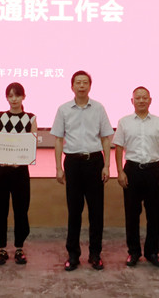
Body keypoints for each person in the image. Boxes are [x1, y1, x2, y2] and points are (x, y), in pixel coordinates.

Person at [51, 70, 114, 271]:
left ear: (90, 86)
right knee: (74, 211)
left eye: (85, 82)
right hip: (73, 163)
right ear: (72, 86)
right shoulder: (63, 109)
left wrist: (107, 165)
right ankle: (73, 255)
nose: (81, 86)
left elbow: (106, 138)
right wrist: (58, 167)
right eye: (78, 82)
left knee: (96, 212)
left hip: (94, 161)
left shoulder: (99, 108)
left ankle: (95, 254)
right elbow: (58, 140)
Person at [114, 86, 159, 268]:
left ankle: (152, 252)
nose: (141, 100)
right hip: (131, 170)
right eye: (137, 98)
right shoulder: (124, 122)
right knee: (132, 214)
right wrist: (120, 171)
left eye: (144, 97)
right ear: (132, 101)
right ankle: (134, 252)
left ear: (150, 100)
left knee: (153, 215)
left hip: (153, 171)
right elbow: (118, 148)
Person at [0, 82, 37, 266]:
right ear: (6, 98)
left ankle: (19, 247)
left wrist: (21, 159)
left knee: (21, 209)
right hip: (0, 170)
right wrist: (0, 158)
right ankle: (1, 248)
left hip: (20, 171)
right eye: (10, 96)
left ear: (23, 97)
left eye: (17, 95)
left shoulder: (30, 118)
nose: (14, 99)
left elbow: (31, 144)